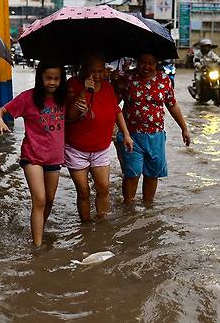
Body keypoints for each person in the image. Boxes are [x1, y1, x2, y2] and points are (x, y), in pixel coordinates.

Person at [0, 62, 67, 247]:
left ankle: (38, 229)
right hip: (32, 157)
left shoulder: (64, 99)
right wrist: (0, 121)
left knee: (49, 200)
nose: (52, 82)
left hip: (54, 158)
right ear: (40, 78)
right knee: (40, 199)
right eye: (48, 78)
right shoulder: (28, 98)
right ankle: (37, 247)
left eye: (56, 78)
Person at [115, 52, 190, 205]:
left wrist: (184, 128)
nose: (146, 67)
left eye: (151, 63)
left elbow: (172, 105)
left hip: (156, 137)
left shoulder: (164, 80)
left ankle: (148, 207)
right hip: (131, 136)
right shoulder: (127, 78)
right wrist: (113, 81)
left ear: (157, 64)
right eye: (143, 62)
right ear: (137, 62)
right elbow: (113, 104)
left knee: (152, 174)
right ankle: (128, 208)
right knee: (132, 173)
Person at [65, 54, 134, 222]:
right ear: (84, 70)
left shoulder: (108, 87)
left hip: (101, 148)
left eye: (100, 71)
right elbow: (69, 116)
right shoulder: (72, 84)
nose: (96, 75)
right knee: (83, 191)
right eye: (92, 71)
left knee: (103, 188)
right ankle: (86, 227)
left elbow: (117, 110)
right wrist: (84, 91)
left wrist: (125, 134)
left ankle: (102, 224)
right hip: (76, 148)